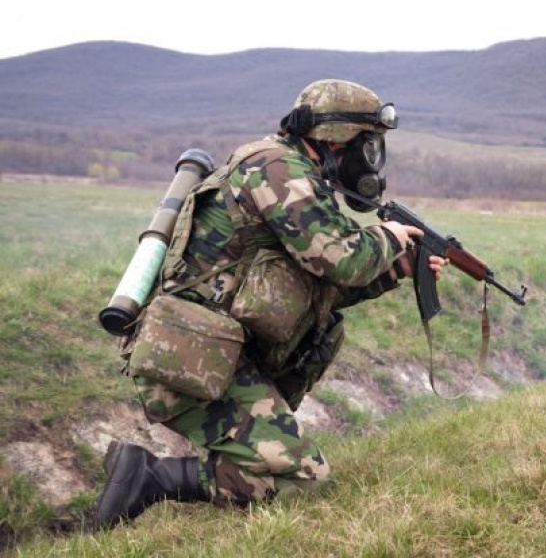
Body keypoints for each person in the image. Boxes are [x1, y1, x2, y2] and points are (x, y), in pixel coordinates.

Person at [93, 79, 447, 527]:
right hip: (188, 357)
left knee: (286, 467)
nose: (372, 158)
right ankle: (150, 478)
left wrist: (394, 270)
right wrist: (388, 238)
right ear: (338, 139)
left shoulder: (299, 175)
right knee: (304, 480)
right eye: (369, 144)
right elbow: (341, 259)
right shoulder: (276, 168)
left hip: (213, 351)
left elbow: (313, 288)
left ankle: (201, 468)